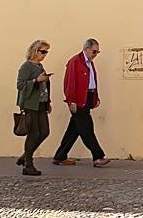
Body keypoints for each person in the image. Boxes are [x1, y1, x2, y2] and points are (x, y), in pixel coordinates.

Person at [52, 38, 111, 167]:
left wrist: (95, 97)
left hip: (88, 97)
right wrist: (71, 101)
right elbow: (69, 83)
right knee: (86, 128)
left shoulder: (89, 63)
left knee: (74, 129)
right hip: (79, 100)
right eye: (94, 51)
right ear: (86, 49)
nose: (96, 54)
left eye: (97, 52)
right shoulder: (74, 62)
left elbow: (92, 81)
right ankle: (98, 156)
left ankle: (60, 156)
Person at [15, 39, 54, 176]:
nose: (45, 54)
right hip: (31, 105)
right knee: (33, 133)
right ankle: (28, 164)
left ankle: (25, 156)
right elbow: (20, 85)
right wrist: (36, 81)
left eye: (46, 52)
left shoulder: (40, 66)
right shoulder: (26, 67)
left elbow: (44, 87)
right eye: (42, 51)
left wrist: (48, 102)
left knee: (44, 132)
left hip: (41, 104)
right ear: (35, 51)